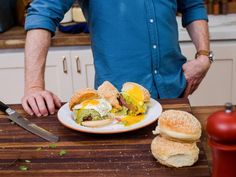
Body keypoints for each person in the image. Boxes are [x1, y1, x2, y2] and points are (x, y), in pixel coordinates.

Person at [22, 0, 211, 117]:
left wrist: (203, 55)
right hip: (118, 104)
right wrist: (34, 87)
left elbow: (193, 6)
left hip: (175, 91)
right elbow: (42, 13)